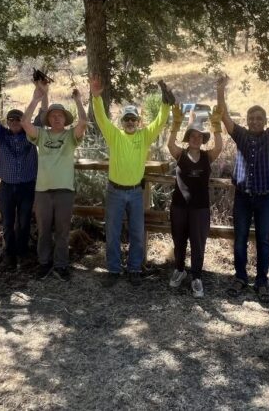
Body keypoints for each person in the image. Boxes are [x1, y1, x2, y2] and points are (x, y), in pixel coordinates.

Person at [217, 69, 269, 303]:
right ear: (247, 121)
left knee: (263, 241)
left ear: (265, 121)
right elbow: (224, 116)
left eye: (259, 118)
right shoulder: (239, 135)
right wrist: (220, 90)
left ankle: (262, 281)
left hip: (264, 198)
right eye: (251, 118)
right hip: (242, 197)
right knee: (240, 239)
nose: (255, 121)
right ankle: (240, 277)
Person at [90, 76, 174, 286]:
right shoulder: (114, 136)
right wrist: (96, 98)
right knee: (113, 231)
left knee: (137, 231)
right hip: (115, 191)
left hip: (136, 192)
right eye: (126, 119)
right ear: (122, 122)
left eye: (132, 119)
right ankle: (114, 270)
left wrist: (165, 104)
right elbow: (101, 118)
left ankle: (135, 268)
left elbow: (160, 121)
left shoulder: (144, 135)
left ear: (138, 121)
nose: (129, 122)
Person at [21, 81, 87, 280]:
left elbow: (83, 122)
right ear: (48, 119)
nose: (57, 118)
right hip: (42, 190)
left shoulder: (70, 136)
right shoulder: (41, 135)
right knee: (43, 231)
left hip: (64, 190)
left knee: (62, 231)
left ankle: (61, 265)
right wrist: (36, 99)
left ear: (65, 119)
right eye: (53, 115)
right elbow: (24, 122)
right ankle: (44, 263)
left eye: (60, 115)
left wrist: (78, 101)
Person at [0, 75, 39, 271]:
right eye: (10, 119)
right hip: (6, 187)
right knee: (8, 223)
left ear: (23, 121)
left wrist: (39, 95)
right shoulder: (1, 134)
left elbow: (42, 115)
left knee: (24, 222)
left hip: (27, 186)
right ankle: (8, 254)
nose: (14, 122)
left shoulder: (32, 135)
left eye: (18, 119)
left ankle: (22, 255)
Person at [165, 102, 224, 298]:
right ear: (188, 138)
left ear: (202, 139)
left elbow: (220, 146)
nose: (196, 139)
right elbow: (169, 143)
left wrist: (216, 126)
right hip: (179, 206)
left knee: (198, 244)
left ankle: (196, 277)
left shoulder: (208, 157)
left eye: (200, 136)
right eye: (193, 135)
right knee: (179, 240)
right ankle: (180, 269)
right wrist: (176, 123)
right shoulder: (180, 154)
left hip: (200, 208)